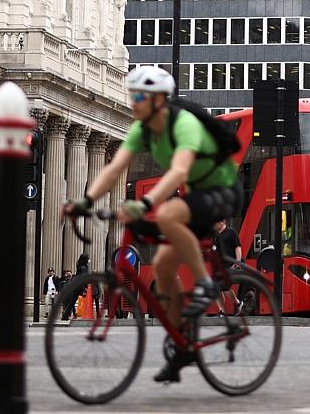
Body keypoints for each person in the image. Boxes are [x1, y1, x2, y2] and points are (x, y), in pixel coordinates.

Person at [65, 65, 242, 384]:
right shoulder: (141, 129)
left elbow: (177, 172)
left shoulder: (183, 123)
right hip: (196, 194)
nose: (134, 103)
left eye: (140, 96)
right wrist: (86, 200)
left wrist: (145, 204)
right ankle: (181, 345)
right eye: (132, 96)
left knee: (166, 214)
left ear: (160, 99)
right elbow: (114, 168)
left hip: (222, 190)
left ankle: (204, 283)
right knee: (161, 266)